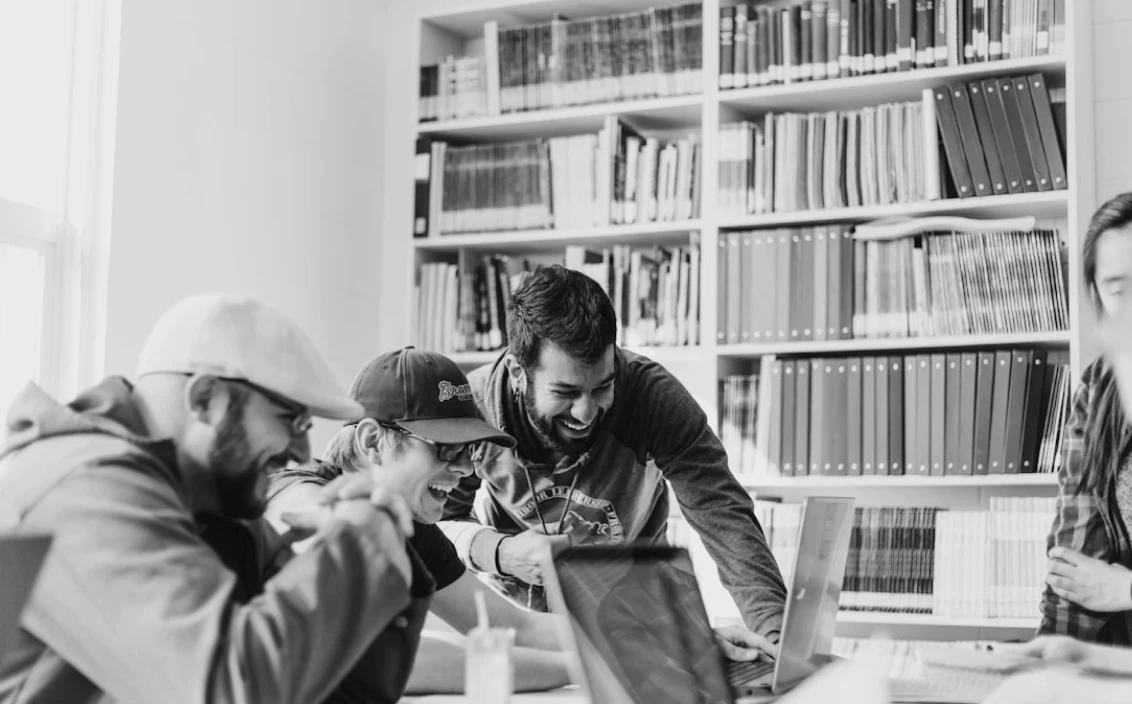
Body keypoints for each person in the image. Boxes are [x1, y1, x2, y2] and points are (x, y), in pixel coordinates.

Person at [0, 294, 431, 704]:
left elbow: (340, 694)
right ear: (205, 398)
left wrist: (378, 545)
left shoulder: (212, 505)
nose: (303, 451)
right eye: (291, 419)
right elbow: (230, 689)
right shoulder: (83, 489)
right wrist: (359, 546)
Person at [438, 264, 788, 653]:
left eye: (603, 387)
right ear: (519, 373)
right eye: (565, 392)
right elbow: (439, 525)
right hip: (522, 622)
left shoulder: (652, 396)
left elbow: (722, 512)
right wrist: (500, 553)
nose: (586, 413)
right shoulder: (474, 408)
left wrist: (776, 640)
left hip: (637, 612)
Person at [264, 346, 573, 694]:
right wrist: (581, 668)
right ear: (373, 442)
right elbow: (375, 656)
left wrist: (627, 639)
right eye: (445, 448)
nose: (466, 469)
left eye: (469, 450)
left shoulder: (408, 522)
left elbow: (514, 626)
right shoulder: (301, 499)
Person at [1041, 192, 1132, 645]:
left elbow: (1108, 587)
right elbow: (1072, 564)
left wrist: (1125, 589)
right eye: (1120, 289)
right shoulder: (1099, 387)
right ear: (1097, 295)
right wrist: (1047, 665)